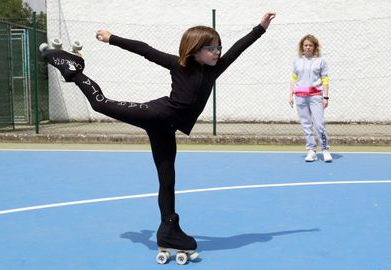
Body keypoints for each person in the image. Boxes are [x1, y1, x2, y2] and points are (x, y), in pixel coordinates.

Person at [41, 12, 276, 253]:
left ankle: (168, 230)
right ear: (194, 49)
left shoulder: (215, 69)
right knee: (100, 103)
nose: (217, 52)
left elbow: (239, 48)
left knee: (167, 179)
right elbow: (145, 49)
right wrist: (112, 38)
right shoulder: (179, 64)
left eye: (219, 47)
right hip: (156, 114)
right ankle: (69, 66)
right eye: (211, 48)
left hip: (167, 128)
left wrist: (261, 27)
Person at [288, 34, 333, 162]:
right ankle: (311, 150)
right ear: (302, 47)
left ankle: (325, 150)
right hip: (300, 97)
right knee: (306, 125)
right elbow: (293, 79)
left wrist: (325, 97)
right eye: (306, 45)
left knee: (319, 124)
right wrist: (290, 94)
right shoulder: (297, 62)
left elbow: (325, 79)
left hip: (315, 96)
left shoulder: (320, 61)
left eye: (310, 45)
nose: (308, 47)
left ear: (314, 47)